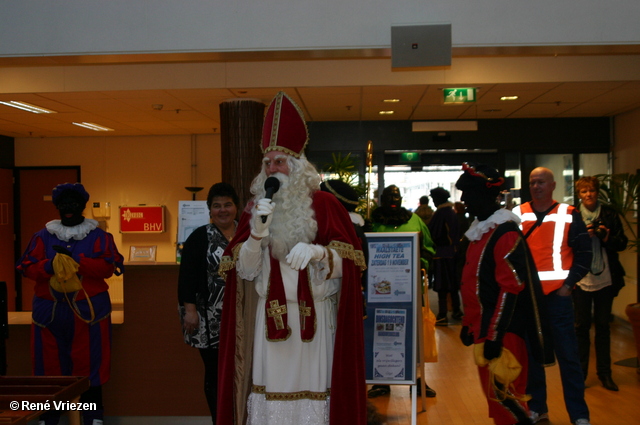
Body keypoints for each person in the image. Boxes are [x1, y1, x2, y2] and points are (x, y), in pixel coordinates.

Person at [216, 91, 367, 425]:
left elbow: (352, 265)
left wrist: (319, 252)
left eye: (280, 161)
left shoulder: (326, 206)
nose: (273, 168)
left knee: (313, 397)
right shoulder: (255, 209)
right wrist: (257, 233)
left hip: (313, 323)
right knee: (270, 397)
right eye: (267, 162)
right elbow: (244, 271)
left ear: (297, 166)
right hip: (268, 320)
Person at [17, 183, 125, 425]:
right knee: (49, 369)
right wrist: (48, 265)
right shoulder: (42, 236)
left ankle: (91, 417)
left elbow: (108, 267)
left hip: (89, 314)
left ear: (83, 206)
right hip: (49, 314)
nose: (68, 209)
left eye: (74, 204)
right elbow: (27, 267)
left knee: (89, 367)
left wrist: (77, 262)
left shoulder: (99, 237)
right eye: (63, 204)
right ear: (56, 207)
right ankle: (50, 417)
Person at [456, 162, 553, 425]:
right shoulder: (482, 231)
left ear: (486, 196)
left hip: (503, 333)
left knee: (505, 399)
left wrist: (494, 336)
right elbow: (475, 284)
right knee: (495, 400)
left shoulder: (505, 233)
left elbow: (510, 290)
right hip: (484, 329)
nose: (463, 200)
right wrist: (469, 324)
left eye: (468, 195)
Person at [513, 167, 592, 425]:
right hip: (528, 300)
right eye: (533, 182)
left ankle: (579, 415)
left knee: (569, 358)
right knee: (533, 358)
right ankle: (537, 408)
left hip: (558, 299)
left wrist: (568, 286)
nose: (536, 186)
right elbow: (508, 255)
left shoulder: (569, 214)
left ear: (553, 185)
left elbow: (584, 255)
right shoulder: (517, 214)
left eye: (542, 182)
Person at [178, 182, 239, 424]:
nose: (222, 210)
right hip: (208, 319)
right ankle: (219, 419)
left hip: (242, 317)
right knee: (215, 374)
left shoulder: (247, 234)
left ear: (237, 207)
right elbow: (186, 277)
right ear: (209, 210)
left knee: (241, 372)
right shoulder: (199, 237)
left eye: (227, 204)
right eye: (216, 206)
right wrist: (190, 311)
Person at [368, 184, 437, 398]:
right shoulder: (372, 222)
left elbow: (429, 249)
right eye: (389, 196)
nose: (393, 200)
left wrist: (421, 258)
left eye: (397, 196)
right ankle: (382, 381)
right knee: (382, 331)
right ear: (381, 198)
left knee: (415, 332)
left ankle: (417, 378)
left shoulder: (414, 220)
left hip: (411, 287)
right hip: (379, 290)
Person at [573, 176, 627, 391]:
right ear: (579, 194)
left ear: (597, 193)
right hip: (581, 278)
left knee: (603, 327)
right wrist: (583, 237)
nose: (589, 195)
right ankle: (581, 375)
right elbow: (566, 246)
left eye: (592, 191)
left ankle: (605, 374)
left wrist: (606, 238)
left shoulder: (609, 214)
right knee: (581, 328)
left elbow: (621, 243)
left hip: (605, 277)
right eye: (584, 191)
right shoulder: (573, 216)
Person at [427, 187, 461, 326]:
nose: (433, 201)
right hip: (451, 253)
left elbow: (436, 233)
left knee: (442, 285)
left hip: (443, 253)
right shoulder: (449, 211)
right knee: (452, 285)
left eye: (434, 198)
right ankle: (456, 310)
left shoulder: (442, 212)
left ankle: (442, 314)